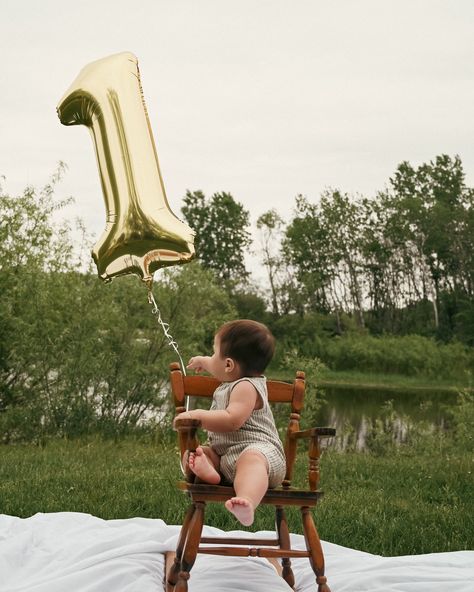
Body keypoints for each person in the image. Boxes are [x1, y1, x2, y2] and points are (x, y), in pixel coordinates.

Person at [174, 319, 286, 527]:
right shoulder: (232, 377)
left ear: (228, 365)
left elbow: (232, 420)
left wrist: (197, 415)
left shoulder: (246, 386)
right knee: (195, 454)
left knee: (251, 459)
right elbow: (217, 364)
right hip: (227, 458)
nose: (211, 358)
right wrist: (203, 361)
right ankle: (209, 472)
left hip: (263, 457)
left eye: (214, 353)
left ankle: (247, 501)